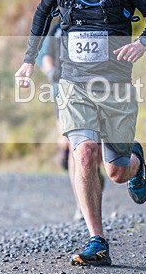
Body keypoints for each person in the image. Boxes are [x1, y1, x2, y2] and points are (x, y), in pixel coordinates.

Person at [15, 0, 146, 266]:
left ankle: (136, 162)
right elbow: (41, 15)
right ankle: (97, 240)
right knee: (83, 152)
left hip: (115, 85)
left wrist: (142, 43)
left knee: (116, 171)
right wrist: (28, 60)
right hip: (74, 84)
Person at [38, 22, 105, 222]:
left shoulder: (95, 22)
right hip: (64, 95)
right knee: (71, 145)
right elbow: (44, 55)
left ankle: (94, 174)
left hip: (94, 92)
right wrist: (51, 71)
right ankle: (80, 202)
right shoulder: (57, 28)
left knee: (94, 149)